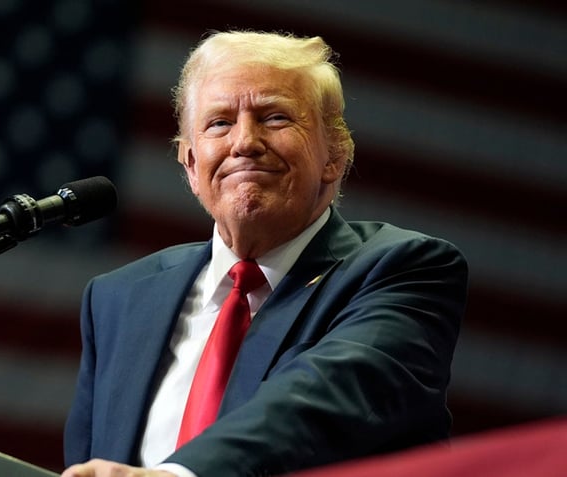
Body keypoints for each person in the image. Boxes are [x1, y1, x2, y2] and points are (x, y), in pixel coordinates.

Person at [61, 30, 468, 477]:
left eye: (274, 117)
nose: (244, 142)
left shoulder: (402, 269)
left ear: (335, 154)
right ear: (191, 165)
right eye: (219, 122)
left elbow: (322, 400)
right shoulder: (120, 299)